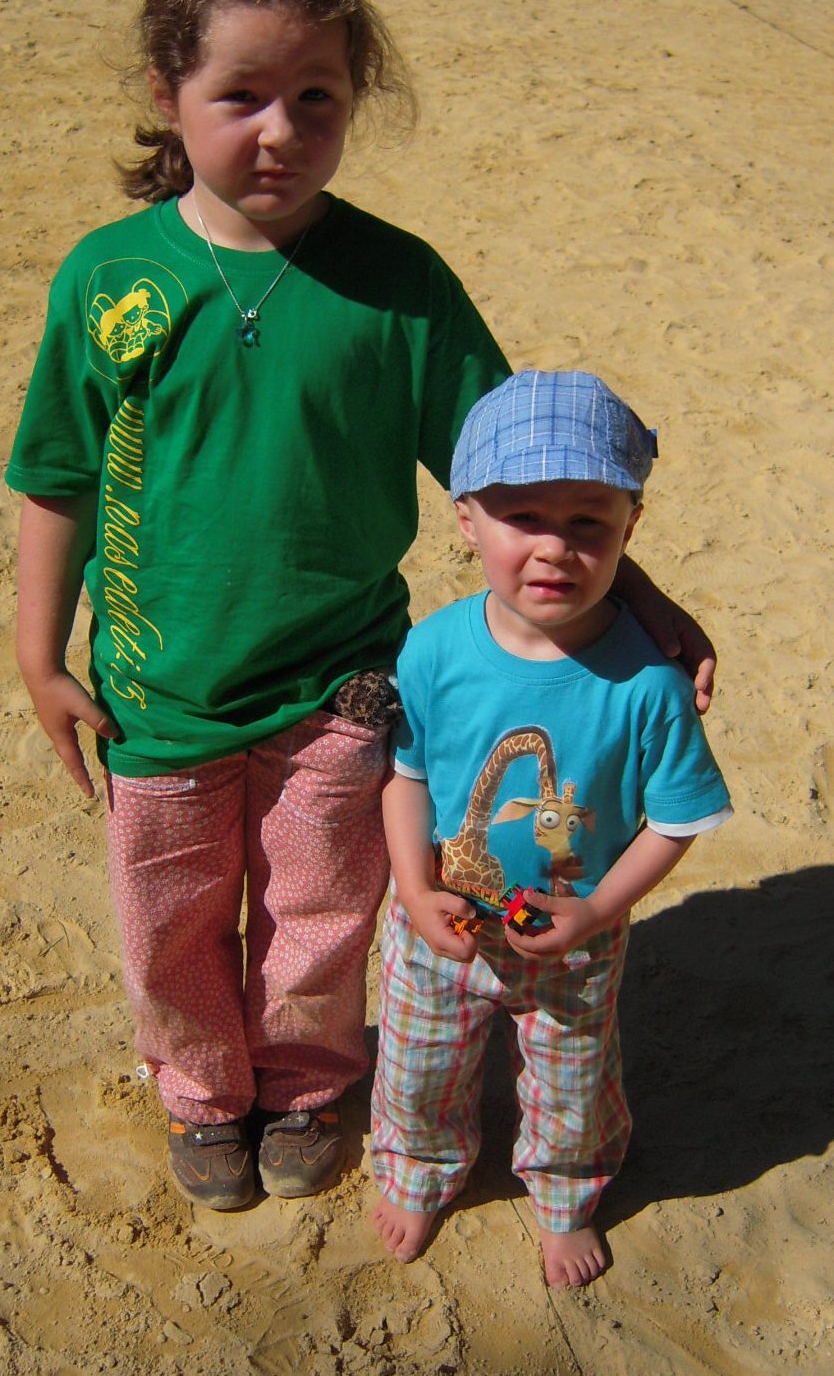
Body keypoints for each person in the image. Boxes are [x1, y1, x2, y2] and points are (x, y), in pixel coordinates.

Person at [5, 0, 716, 1215]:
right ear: (167, 91)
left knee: (321, 913)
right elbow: (54, 476)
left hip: (344, 685)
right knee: (170, 922)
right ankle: (202, 1090)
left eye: (316, 96)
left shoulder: (398, 285)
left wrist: (642, 593)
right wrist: (39, 654)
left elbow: (518, 475)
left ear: (353, 97)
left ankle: (303, 1084)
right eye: (241, 95)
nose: (280, 129)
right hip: (158, 690)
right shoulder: (109, 278)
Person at [371, 370, 731, 1287]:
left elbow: (676, 819)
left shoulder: (647, 683)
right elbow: (406, 776)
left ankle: (566, 1194)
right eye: (521, 516)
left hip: (574, 939)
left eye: (587, 522)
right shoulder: (433, 649)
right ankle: (419, 1169)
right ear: (465, 519)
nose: (553, 548)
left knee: (573, 1081)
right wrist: (411, 886)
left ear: (630, 527)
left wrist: (599, 910)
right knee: (417, 1068)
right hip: (439, 921)